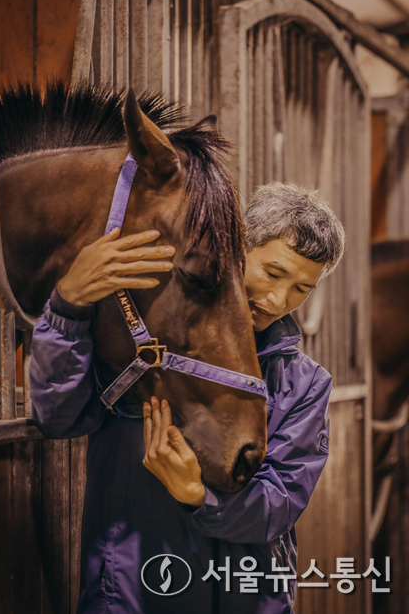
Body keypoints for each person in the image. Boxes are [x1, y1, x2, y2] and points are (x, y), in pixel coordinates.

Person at [30, 182, 346, 613]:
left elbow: (280, 503)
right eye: (273, 273)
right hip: (131, 592)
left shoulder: (306, 384)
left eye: (302, 288)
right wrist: (67, 307)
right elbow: (57, 417)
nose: (278, 299)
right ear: (237, 248)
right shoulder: (149, 346)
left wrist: (199, 496)